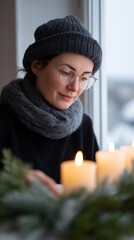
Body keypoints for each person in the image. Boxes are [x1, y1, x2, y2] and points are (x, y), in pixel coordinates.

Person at [0, 15, 102, 195]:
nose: (75, 87)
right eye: (66, 72)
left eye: (85, 78)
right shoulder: (4, 120)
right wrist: (12, 181)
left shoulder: (83, 126)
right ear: (37, 66)